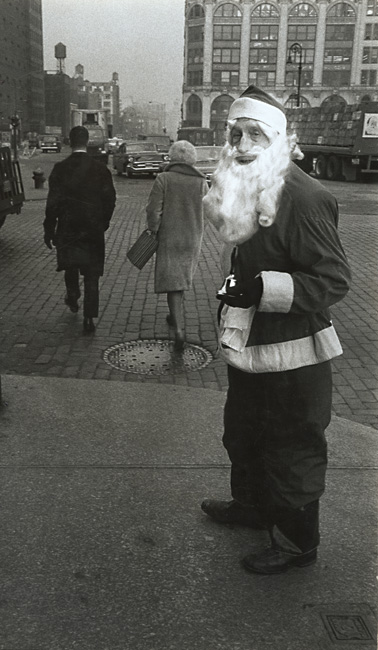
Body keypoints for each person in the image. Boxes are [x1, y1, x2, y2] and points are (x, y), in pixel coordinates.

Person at [201, 86, 351, 574]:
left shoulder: (307, 198)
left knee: (291, 445)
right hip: (251, 346)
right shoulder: (248, 186)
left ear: (281, 140)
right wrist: (237, 283)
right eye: (235, 133)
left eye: (255, 135)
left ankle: (296, 543)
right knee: (242, 433)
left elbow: (332, 279)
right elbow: (252, 254)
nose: (242, 145)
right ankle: (252, 508)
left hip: (294, 358)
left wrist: (261, 288)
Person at [43, 126, 116, 334]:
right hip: (93, 228)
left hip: (68, 227)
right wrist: (103, 222)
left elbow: (52, 203)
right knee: (92, 274)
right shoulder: (100, 169)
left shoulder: (60, 169)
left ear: (70, 142)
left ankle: (73, 295)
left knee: (71, 266)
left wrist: (49, 229)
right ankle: (89, 318)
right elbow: (110, 199)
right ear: (86, 141)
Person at [146, 140, 209, 350]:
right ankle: (175, 318)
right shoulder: (201, 183)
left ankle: (179, 330)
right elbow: (208, 211)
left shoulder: (164, 179)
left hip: (169, 237)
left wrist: (153, 229)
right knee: (181, 279)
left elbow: (154, 210)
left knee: (173, 282)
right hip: (192, 238)